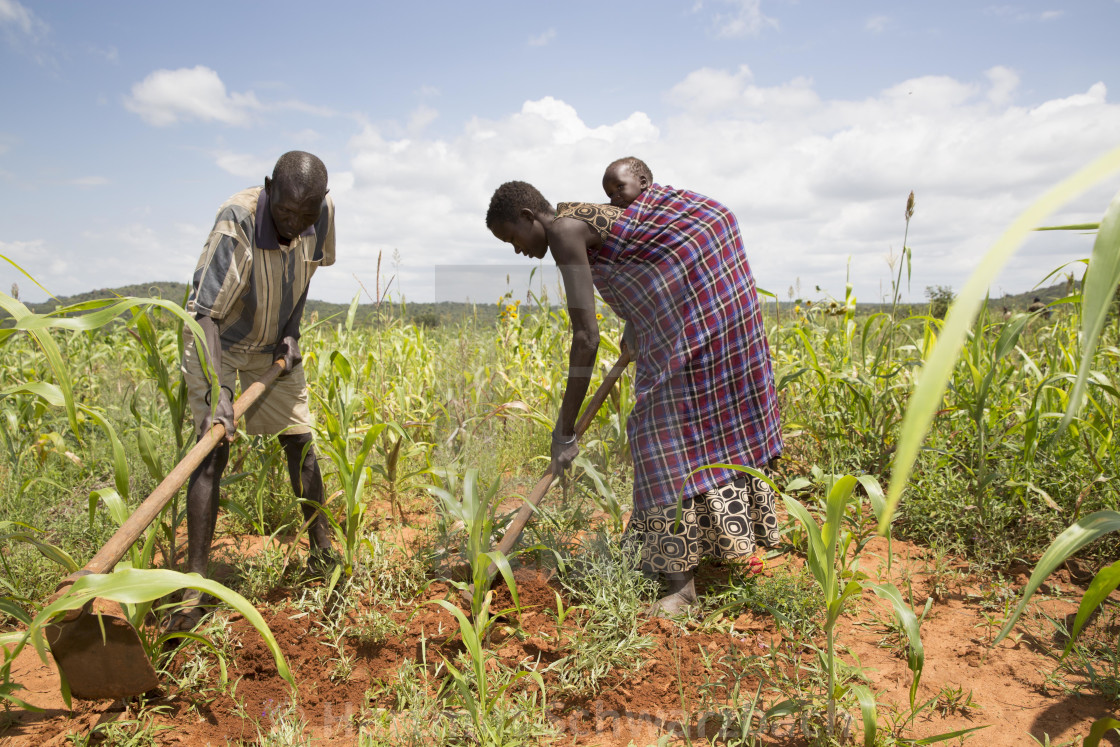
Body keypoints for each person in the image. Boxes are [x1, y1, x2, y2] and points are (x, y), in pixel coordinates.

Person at [486, 179, 783, 616]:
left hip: (701, 321)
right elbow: (650, 264)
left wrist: (564, 430)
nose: (517, 250)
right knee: (681, 436)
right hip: (703, 314)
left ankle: (681, 590)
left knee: (657, 438)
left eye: (513, 237)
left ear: (531, 218)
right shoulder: (581, 219)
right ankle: (698, 553)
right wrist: (640, 319)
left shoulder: (565, 231)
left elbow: (586, 338)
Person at [169, 151, 338, 633]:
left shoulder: (320, 215)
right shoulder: (236, 222)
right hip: (215, 339)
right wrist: (217, 394)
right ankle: (196, 586)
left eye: (305, 216)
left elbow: (309, 272)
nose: (293, 224)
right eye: (285, 213)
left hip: (272, 345)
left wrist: (292, 329)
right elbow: (203, 313)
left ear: (321, 205)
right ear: (269, 189)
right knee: (211, 447)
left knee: (300, 442)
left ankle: (322, 553)